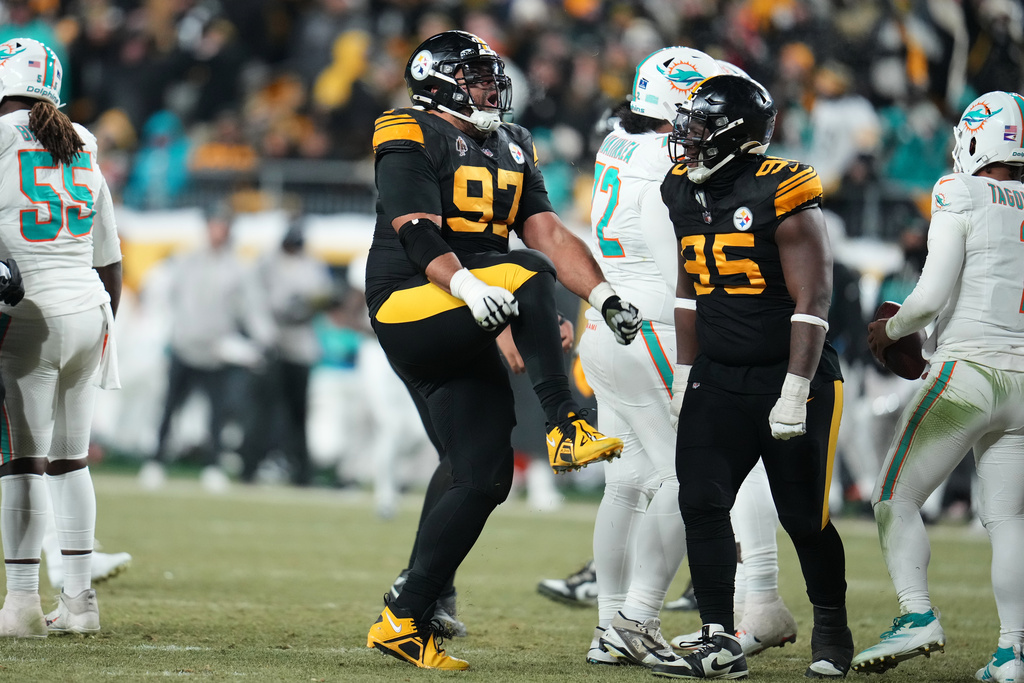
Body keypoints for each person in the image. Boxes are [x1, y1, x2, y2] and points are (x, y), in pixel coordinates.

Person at [363, 30, 642, 671]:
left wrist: (602, 298)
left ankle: (406, 617)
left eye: (491, 75)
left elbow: (545, 230)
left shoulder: (513, 143)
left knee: (483, 474)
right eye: (476, 76)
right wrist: (469, 285)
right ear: (438, 81)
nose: (492, 86)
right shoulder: (406, 127)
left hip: (474, 302)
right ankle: (566, 424)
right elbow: (414, 227)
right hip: (411, 297)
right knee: (528, 273)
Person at [650, 75, 852, 680]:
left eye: (700, 125)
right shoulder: (682, 190)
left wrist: (796, 389)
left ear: (734, 132)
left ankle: (832, 626)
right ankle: (717, 638)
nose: (687, 137)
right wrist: (686, 372)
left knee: (803, 517)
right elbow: (688, 286)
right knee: (701, 501)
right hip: (718, 373)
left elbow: (814, 295)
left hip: (791, 375)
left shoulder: (782, 188)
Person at [851, 91, 1024, 682]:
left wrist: (889, 330)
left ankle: (916, 613)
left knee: (892, 497)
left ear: (977, 137)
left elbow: (927, 296)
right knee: (1009, 521)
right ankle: (1012, 654)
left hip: (968, 371)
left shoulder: (959, 189)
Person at [0, 37, 122, 637]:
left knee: (22, 462)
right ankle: (80, 606)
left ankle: (21, 605)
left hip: (28, 315)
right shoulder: (84, 140)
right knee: (72, 463)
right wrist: (103, 326)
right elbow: (111, 256)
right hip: (90, 308)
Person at [137, 204, 275, 493]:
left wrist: (264, 337)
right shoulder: (186, 261)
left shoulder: (237, 267)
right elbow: (165, 295)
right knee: (170, 408)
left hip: (216, 350)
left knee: (217, 413)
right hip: (185, 344)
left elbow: (250, 308)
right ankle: (156, 460)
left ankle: (212, 465)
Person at [240, 220, 333, 486]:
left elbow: (320, 297)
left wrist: (307, 306)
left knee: (297, 414)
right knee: (263, 412)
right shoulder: (267, 264)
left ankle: (301, 472)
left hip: (300, 344)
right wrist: (265, 335)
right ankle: (250, 467)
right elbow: (256, 303)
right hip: (273, 343)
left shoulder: (312, 266)